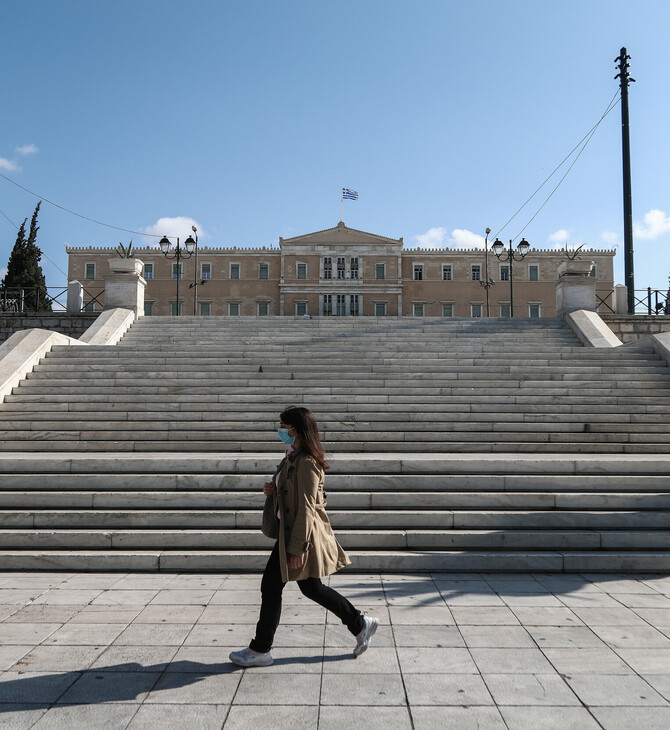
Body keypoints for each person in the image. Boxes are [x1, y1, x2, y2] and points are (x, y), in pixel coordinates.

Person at [229, 406, 378, 667]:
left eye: (286, 428)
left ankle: (260, 649)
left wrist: (297, 548)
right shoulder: (293, 456)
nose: (282, 432)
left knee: (272, 586)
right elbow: (291, 493)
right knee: (312, 588)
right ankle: (360, 623)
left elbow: (308, 507)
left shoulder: (307, 463)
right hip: (292, 535)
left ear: (298, 430)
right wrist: (273, 488)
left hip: (300, 538)